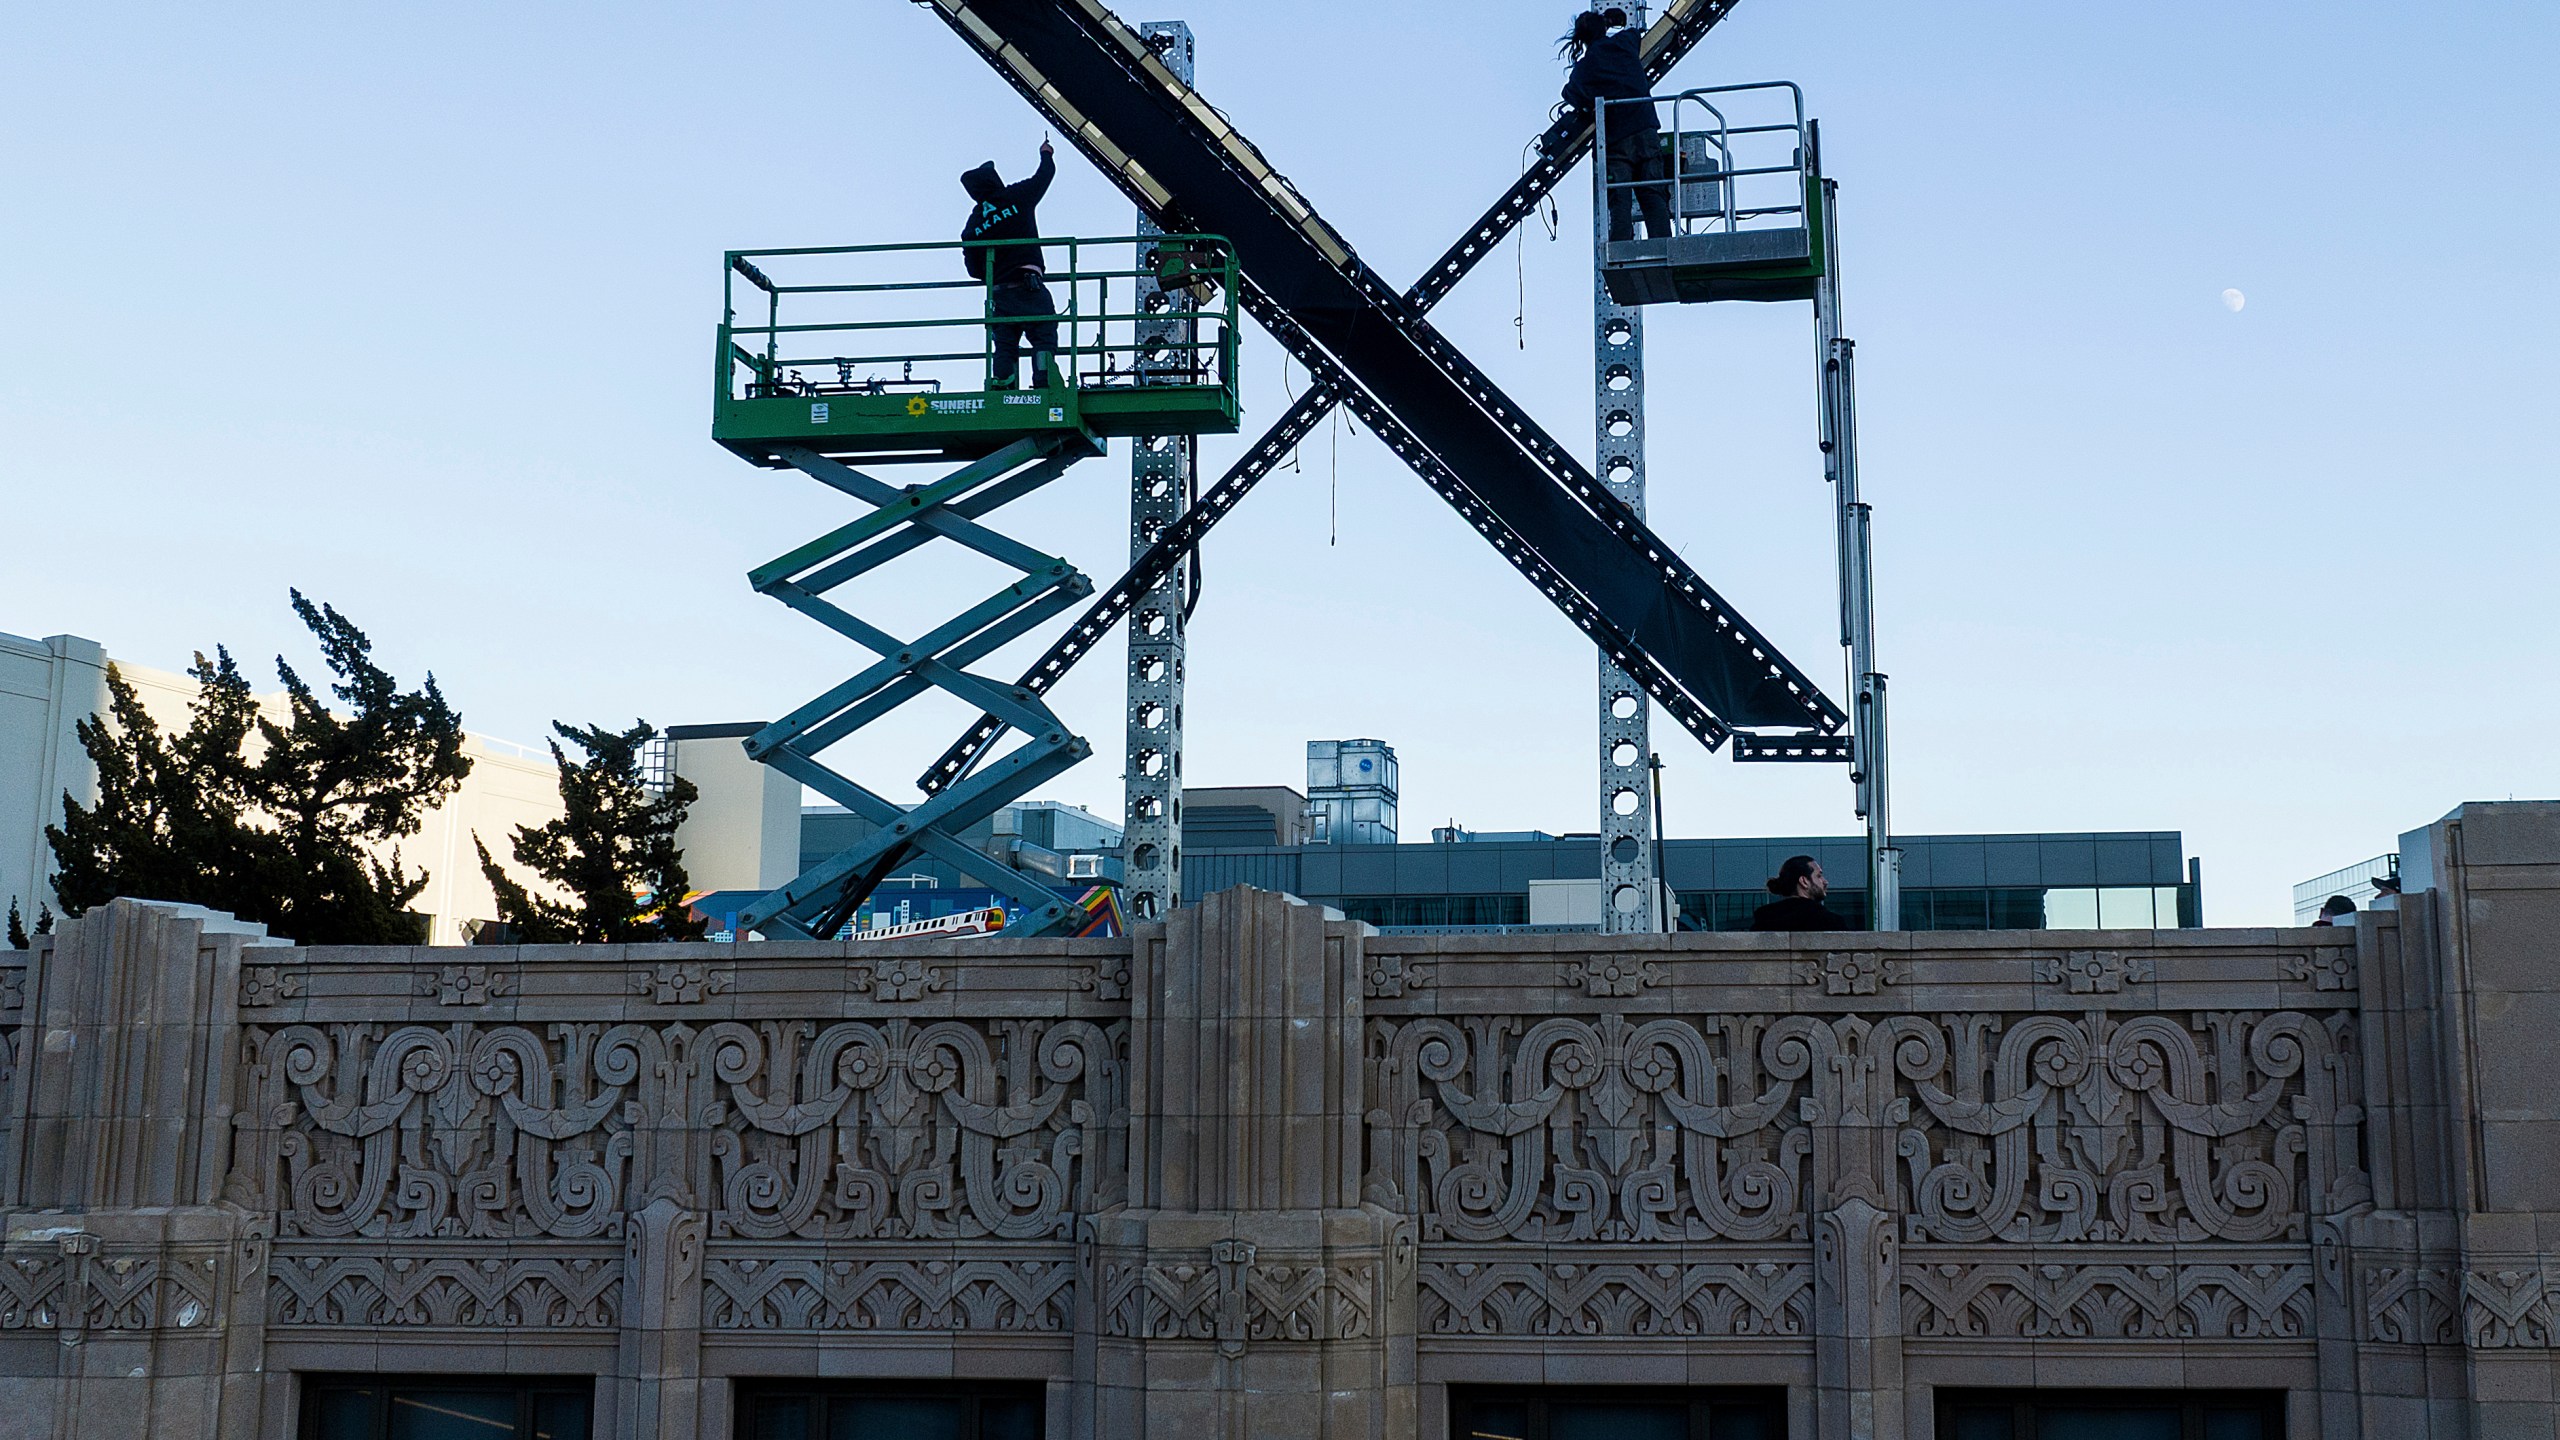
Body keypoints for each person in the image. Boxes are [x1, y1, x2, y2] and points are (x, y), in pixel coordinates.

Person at [1560, 8, 1671, 244]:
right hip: (1645, 128)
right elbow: (1634, 32)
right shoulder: (1624, 43)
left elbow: (1569, 94)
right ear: (1604, 29)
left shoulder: (1584, 68)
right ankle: (1664, 245)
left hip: (1616, 139)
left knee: (1619, 200)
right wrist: (1610, 21)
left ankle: (1621, 249)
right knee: (1653, 196)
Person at [960, 139, 1062, 389]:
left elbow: (973, 269)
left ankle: (1003, 383)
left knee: (1005, 343)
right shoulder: (1015, 196)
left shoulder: (973, 224)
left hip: (1000, 295)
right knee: (1043, 334)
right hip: (1030, 288)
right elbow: (1044, 175)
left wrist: (996, 273)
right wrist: (1046, 154)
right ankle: (1044, 383)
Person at [1752, 855, 1849, 931]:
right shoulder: (1829, 921)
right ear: (1804, 881)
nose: (1825, 881)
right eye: (1819, 876)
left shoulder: (1764, 918)